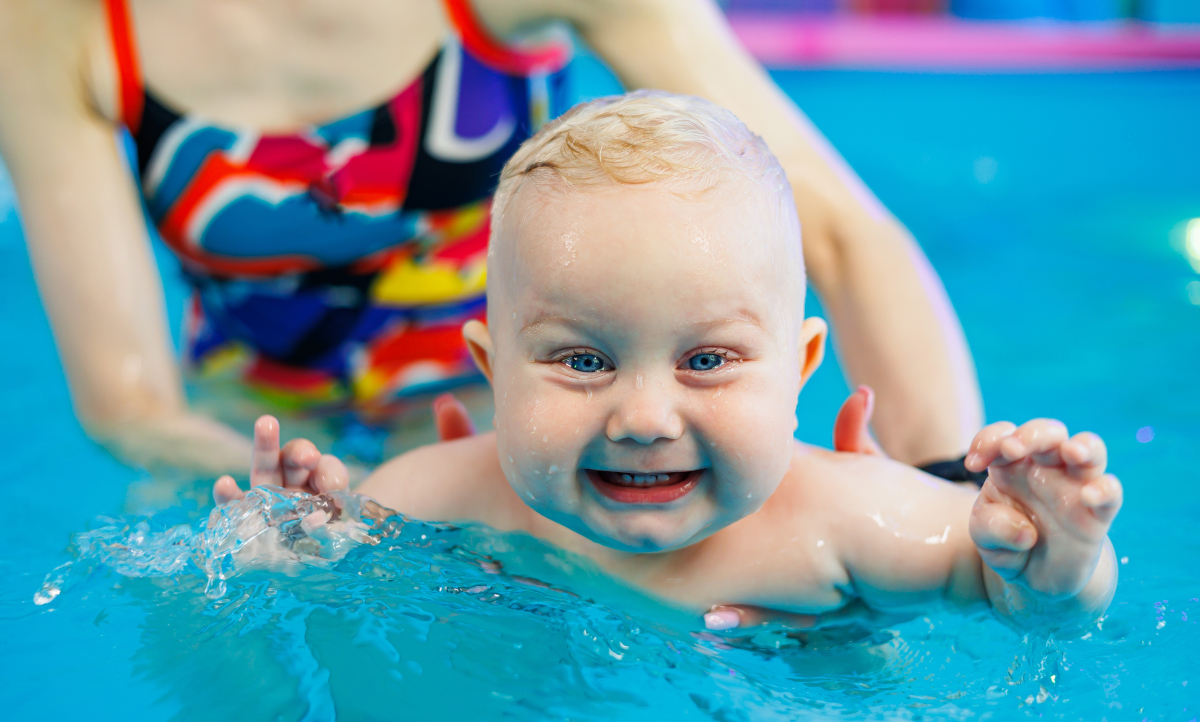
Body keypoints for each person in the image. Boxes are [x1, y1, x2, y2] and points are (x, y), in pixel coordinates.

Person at [215, 94, 1121, 634]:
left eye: (707, 359)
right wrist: (291, 555)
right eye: (582, 360)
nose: (644, 418)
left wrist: (1059, 563)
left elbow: (1009, 591)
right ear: (494, 374)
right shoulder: (434, 497)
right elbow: (327, 603)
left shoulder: (848, 522)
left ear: (800, 371)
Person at [0, 0, 980, 477]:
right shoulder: (53, 23)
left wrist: (945, 496)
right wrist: (285, 492)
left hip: (514, 418)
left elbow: (838, 235)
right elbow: (130, 404)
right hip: (244, 427)